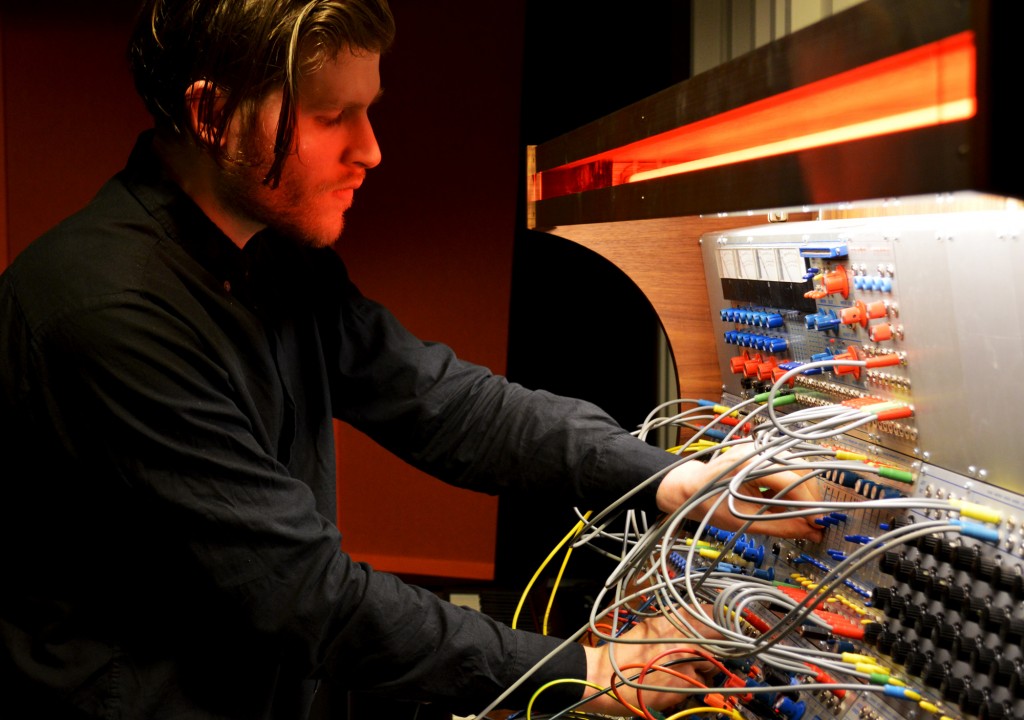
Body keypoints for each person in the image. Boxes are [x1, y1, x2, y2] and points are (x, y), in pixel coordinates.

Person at [0, 1, 823, 718]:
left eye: (369, 110)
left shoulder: (276, 259)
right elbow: (305, 594)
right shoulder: (107, 315)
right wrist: (589, 673)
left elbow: (442, 403)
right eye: (333, 116)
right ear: (213, 115)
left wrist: (675, 479)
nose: (372, 149)